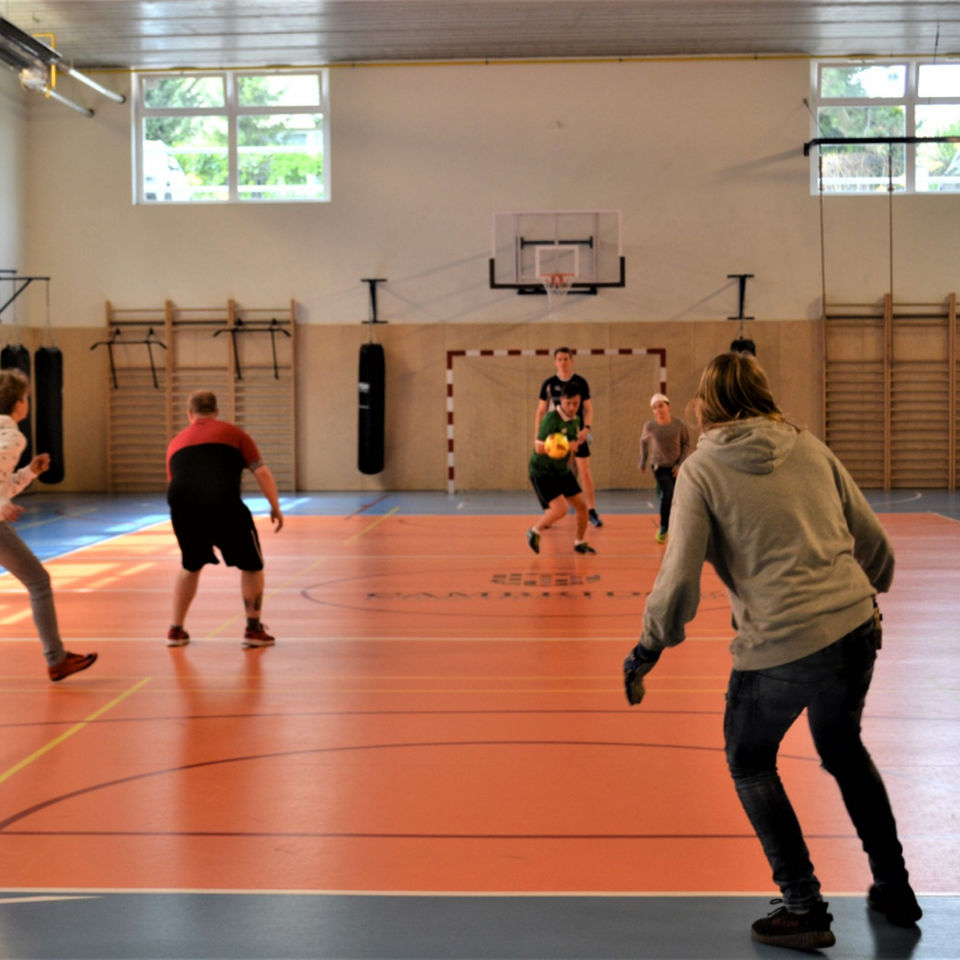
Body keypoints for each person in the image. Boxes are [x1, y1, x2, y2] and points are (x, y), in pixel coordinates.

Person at [622, 352, 920, 951]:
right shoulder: (809, 446)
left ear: (706, 404)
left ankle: (803, 906)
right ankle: (895, 888)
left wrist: (648, 646)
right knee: (843, 749)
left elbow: (678, 580)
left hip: (782, 644)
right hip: (856, 629)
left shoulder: (700, 471)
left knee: (750, 759)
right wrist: (855, 599)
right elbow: (875, 546)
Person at [166, 390, 284, 648]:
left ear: (190, 414)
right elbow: (261, 472)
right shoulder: (235, 434)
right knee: (251, 565)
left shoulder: (176, 443)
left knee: (190, 564)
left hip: (182, 505)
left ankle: (176, 630)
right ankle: (253, 629)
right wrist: (275, 507)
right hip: (222, 502)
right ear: (217, 412)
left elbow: (177, 482)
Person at [0, 369, 97, 681]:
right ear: (19, 404)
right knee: (39, 582)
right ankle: (56, 659)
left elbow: (4, 484)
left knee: (38, 581)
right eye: (26, 398)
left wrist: (30, 472)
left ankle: (57, 658)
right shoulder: (13, 436)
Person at [526, 380, 596, 555]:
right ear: (561, 400)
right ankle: (534, 530)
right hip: (542, 471)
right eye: (568, 403)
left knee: (582, 508)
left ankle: (579, 542)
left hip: (561, 471)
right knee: (561, 509)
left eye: (576, 404)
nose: (572, 407)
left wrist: (577, 444)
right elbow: (538, 447)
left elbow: (571, 447)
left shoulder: (576, 420)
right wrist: (564, 445)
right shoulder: (551, 419)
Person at [536, 347, 602, 526]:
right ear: (555, 362)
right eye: (559, 359)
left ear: (571, 361)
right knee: (550, 474)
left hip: (576, 434)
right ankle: (550, 513)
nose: (563, 362)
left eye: (566, 359)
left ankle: (591, 511)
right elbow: (541, 410)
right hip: (554, 438)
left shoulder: (580, 382)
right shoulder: (548, 384)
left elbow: (588, 408)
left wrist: (586, 428)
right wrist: (539, 436)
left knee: (584, 472)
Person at [639, 392, 690, 543]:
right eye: (654, 408)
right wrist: (643, 461)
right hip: (659, 466)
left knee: (678, 497)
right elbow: (643, 442)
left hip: (675, 467)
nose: (658, 410)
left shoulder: (678, 425)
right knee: (668, 494)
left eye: (661, 406)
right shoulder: (650, 426)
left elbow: (686, 443)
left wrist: (680, 465)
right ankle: (663, 527)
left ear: (668, 407)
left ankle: (678, 526)